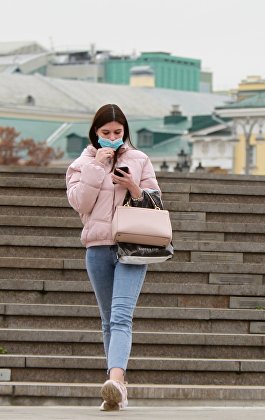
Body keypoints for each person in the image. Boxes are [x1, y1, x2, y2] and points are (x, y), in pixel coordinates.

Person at [66, 104, 160, 411]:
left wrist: (132, 186)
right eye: (105, 133)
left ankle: (116, 381)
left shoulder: (139, 159)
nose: (112, 138)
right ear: (95, 132)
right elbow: (80, 204)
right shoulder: (81, 164)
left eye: (117, 133)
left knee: (121, 316)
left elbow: (156, 203)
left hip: (132, 246)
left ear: (125, 132)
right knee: (108, 320)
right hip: (97, 248)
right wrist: (97, 167)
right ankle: (119, 389)